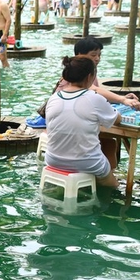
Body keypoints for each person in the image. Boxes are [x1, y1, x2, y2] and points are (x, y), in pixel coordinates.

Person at [44, 55, 121, 188]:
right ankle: (108, 200)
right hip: (86, 162)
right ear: (90, 76)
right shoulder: (94, 98)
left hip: (53, 159)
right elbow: (117, 120)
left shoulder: (54, 98)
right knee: (113, 185)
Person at [0, 0, 12, 68]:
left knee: (2, 57)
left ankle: (7, 71)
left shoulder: (2, 5)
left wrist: (5, 35)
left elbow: (8, 20)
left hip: (1, 33)